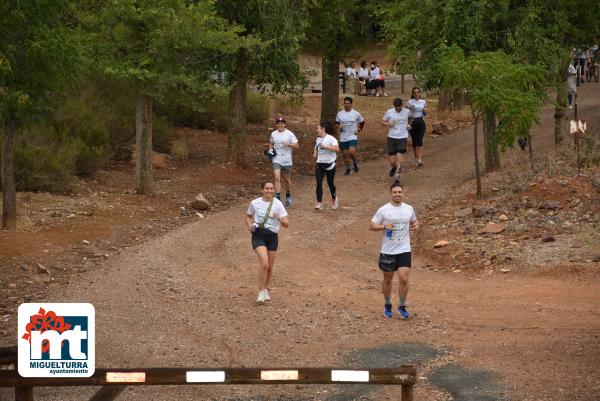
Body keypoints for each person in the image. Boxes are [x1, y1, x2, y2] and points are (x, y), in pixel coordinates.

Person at [370, 181, 419, 319]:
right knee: (387, 278)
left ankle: (402, 306)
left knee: (404, 278)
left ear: (403, 193)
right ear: (390, 194)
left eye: (399, 192)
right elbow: (372, 226)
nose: (397, 194)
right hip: (388, 250)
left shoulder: (409, 208)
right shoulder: (383, 210)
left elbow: (414, 220)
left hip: (404, 249)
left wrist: (416, 225)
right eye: (394, 192)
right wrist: (384, 227)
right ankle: (387, 304)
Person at [245, 181, 289, 305]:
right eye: (267, 188)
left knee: (269, 267)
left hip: (272, 237)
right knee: (264, 263)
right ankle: (260, 292)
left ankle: (265, 289)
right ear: (262, 190)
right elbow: (248, 216)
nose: (269, 190)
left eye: (271, 188)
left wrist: (279, 218)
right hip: (258, 235)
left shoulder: (278, 204)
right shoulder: (255, 203)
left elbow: (286, 224)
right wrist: (249, 226)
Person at [269, 116, 299, 206]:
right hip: (276, 159)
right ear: (276, 125)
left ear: (284, 124)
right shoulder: (273, 133)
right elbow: (271, 143)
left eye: (282, 124)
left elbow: (297, 145)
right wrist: (270, 152)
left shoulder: (290, 134)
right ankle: (277, 199)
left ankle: (288, 195)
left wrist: (288, 144)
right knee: (277, 177)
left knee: (287, 180)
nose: (280, 125)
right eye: (278, 124)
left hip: (287, 160)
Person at [335, 96, 365, 175]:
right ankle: (348, 168)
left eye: (348, 103)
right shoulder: (340, 114)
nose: (346, 105)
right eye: (345, 103)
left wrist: (359, 129)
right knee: (344, 154)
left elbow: (362, 122)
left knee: (351, 151)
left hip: (352, 135)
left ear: (351, 104)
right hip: (343, 136)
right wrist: (338, 126)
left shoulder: (356, 113)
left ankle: (355, 163)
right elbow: (336, 123)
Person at [314, 121, 340, 210]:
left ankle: (334, 198)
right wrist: (315, 153)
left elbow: (337, 148)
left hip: (330, 165)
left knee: (330, 183)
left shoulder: (331, 139)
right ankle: (319, 203)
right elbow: (316, 147)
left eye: (318, 128)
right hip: (319, 165)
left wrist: (326, 147)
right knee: (319, 182)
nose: (316, 130)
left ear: (323, 129)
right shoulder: (318, 139)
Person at [383, 98, 411, 179]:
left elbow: (411, 117)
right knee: (392, 161)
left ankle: (398, 177)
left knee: (399, 157)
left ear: (402, 105)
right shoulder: (389, 112)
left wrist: (409, 124)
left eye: (399, 107)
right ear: (394, 106)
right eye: (396, 107)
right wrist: (388, 123)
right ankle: (394, 167)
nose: (398, 109)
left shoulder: (407, 111)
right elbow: (382, 121)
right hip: (392, 137)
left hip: (402, 137)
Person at [406, 87, 427, 167]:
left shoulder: (423, 102)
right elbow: (406, 113)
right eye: (414, 92)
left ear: (419, 93)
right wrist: (409, 109)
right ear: (412, 93)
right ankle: (416, 156)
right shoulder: (409, 102)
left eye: (417, 92)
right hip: (413, 122)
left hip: (421, 122)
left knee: (420, 140)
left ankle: (419, 159)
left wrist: (424, 111)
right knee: (414, 141)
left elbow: (425, 114)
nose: (416, 94)